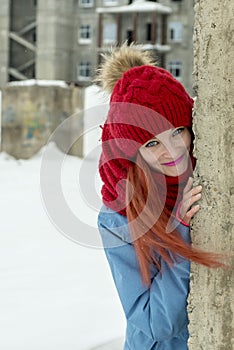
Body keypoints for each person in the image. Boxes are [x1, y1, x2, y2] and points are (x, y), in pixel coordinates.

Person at [96, 44, 222, 350]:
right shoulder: (118, 215)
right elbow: (156, 323)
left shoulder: (213, 173)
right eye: (152, 143)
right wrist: (180, 231)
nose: (172, 150)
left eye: (178, 130)